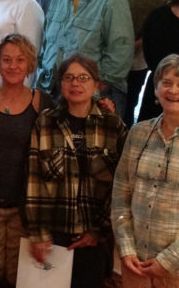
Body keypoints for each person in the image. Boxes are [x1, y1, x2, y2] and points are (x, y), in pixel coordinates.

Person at [26, 54, 127, 288]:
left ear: (96, 85)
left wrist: (98, 230)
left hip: (94, 236)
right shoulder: (45, 123)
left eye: (84, 77)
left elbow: (123, 185)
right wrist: (38, 232)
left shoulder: (113, 125)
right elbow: (34, 180)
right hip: (54, 232)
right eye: (69, 77)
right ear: (60, 84)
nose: (76, 83)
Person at [112, 54, 179, 288]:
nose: (173, 90)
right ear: (155, 90)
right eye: (166, 83)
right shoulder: (137, 134)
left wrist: (168, 260)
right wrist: (126, 249)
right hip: (136, 265)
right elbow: (120, 195)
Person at [0, 34, 53, 286]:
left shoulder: (40, 101)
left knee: (15, 277)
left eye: (20, 60)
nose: (13, 66)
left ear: (29, 63)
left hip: (22, 206)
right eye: (6, 59)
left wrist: (102, 104)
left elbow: (76, 111)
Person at [37, 0, 134, 117]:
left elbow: (121, 50)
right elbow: (45, 40)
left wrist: (98, 85)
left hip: (96, 94)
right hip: (53, 90)